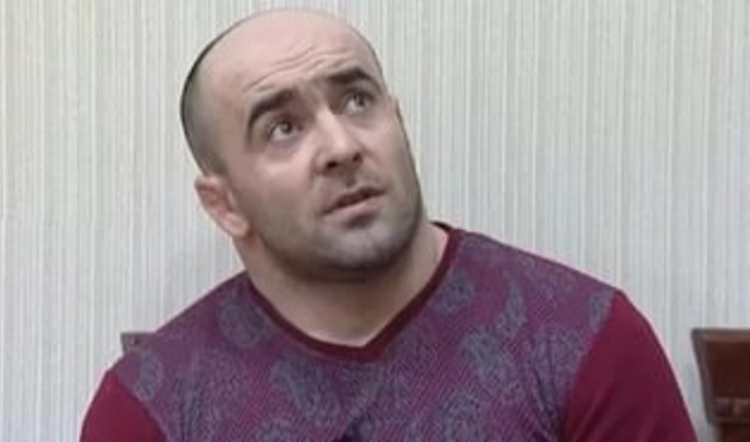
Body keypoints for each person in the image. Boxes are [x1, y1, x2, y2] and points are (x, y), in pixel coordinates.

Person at [80, 8, 697, 441]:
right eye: (282, 128)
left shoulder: (585, 340)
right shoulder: (151, 407)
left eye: (357, 100)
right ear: (225, 205)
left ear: (397, 121)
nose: (341, 146)